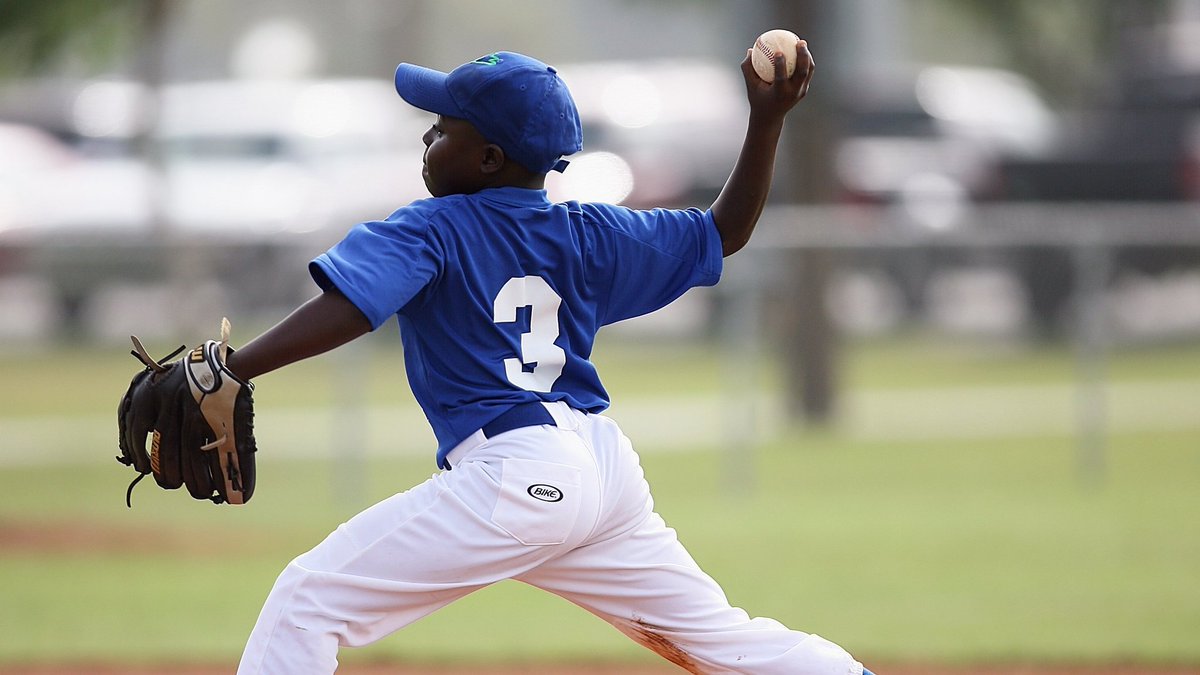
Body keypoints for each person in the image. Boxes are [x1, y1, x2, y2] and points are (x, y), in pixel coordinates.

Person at [231, 43, 871, 675]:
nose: (427, 136)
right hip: (605, 472)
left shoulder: (434, 227)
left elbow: (352, 306)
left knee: (307, 601)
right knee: (727, 642)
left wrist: (236, 368)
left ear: (487, 157)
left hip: (516, 475)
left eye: (443, 128)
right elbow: (723, 232)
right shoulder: (590, 232)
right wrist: (767, 120)